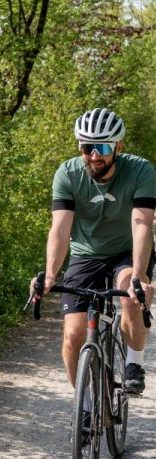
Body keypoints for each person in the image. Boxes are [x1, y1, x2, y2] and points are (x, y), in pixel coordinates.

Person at [32, 108, 156, 393]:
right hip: (85, 254)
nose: (94, 155)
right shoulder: (68, 173)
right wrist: (50, 275)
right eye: (87, 147)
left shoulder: (140, 171)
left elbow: (141, 224)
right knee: (73, 336)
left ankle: (134, 363)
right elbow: (60, 229)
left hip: (126, 251)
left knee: (129, 295)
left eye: (102, 147)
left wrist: (139, 275)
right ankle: (84, 403)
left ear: (119, 147)